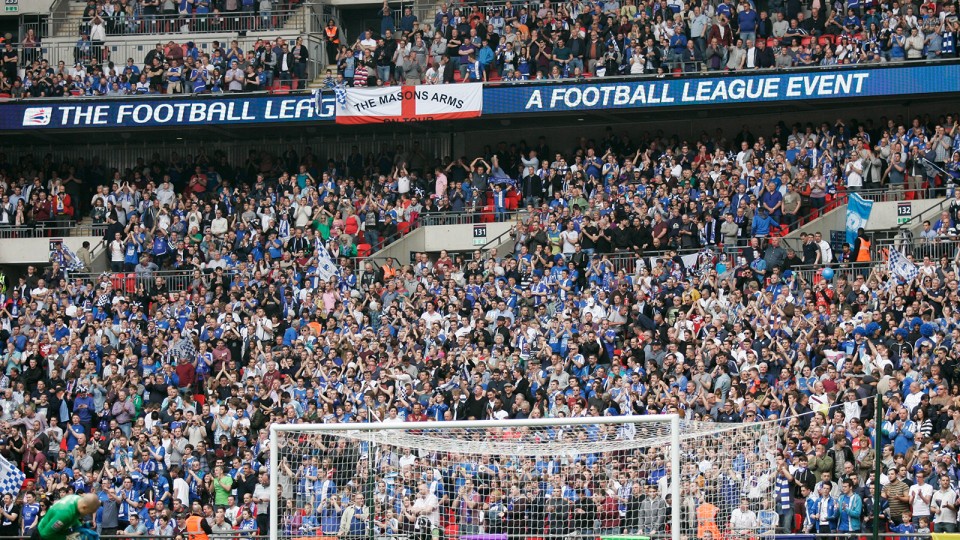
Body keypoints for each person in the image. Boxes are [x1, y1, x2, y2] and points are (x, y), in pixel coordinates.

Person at [31, 493, 100, 540]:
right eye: (88, 513)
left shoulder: (77, 498)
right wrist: (68, 538)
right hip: (41, 536)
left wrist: (80, 526)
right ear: (84, 507)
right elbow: (45, 534)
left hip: (55, 532)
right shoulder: (65, 514)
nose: (86, 515)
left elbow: (73, 516)